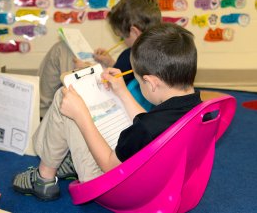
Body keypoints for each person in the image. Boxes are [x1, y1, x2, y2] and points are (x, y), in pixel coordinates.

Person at [13, 22, 201, 201]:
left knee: (66, 98)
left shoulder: (146, 128)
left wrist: (82, 115)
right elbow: (151, 124)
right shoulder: (197, 108)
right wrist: (123, 92)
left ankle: (44, 177)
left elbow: (109, 165)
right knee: (81, 109)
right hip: (162, 183)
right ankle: (61, 159)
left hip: (116, 188)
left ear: (151, 83)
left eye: (138, 81)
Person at [38, 0, 161, 118]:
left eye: (123, 37)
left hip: (110, 106)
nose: (123, 42)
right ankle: (43, 110)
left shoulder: (134, 55)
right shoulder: (155, 53)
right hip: (112, 96)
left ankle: (42, 111)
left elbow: (120, 85)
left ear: (134, 32)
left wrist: (87, 70)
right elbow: (127, 73)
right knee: (62, 49)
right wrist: (110, 63)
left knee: (60, 50)